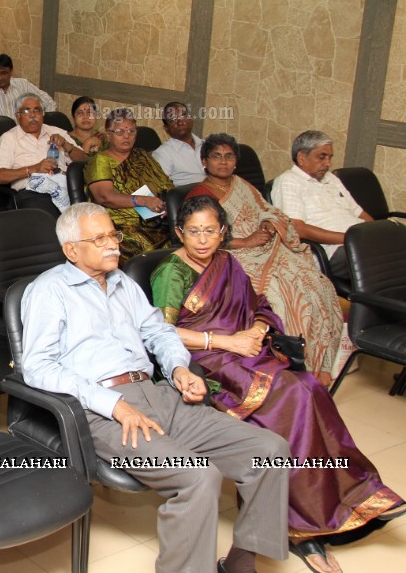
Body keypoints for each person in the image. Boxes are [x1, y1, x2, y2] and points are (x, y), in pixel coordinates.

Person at [20, 202, 291, 573]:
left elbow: (159, 331)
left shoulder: (122, 283)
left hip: (160, 394)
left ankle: (242, 561)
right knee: (199, 475)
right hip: (104, 411)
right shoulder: (49, 290)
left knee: (270, 450)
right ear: (72, 250)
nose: (113, 244)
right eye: (99, 239)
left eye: (113, 235)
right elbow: (36, 367)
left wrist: (179, 368)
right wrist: (112, 404)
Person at [152, 195, 406, 573]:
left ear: (223, 233)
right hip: (207, 361)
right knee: (292, 401)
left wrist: (255, 328)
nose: (202, 240)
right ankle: (300, 526)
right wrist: (228, 342)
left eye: (210, 230)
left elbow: (260, 304)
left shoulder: (227, 262)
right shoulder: (171, 272)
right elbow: (162, 333)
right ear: (179, 233)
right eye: (193, 232)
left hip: (245, 351)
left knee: (312, 390)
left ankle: (348, 495)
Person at [188, 134, 346, 386]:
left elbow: (269, 210)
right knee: (282, 295)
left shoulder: (242, 184)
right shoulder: (200, 194)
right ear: (204, 162)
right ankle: (294, 366)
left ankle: (321, 363)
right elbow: (201, 236)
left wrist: (269, 224)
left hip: (266, 249)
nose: (223, 162)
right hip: (230, 253)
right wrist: (247, 241)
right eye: (216, 156)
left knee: (317, 285)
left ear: (236, 162)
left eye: (229, 156)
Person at [271, 130, 372, 281]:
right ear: (301, 157)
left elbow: (360, 213)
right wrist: (348, 239)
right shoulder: (288, 181)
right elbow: (297, 228)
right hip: (334, 251)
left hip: (359, 241)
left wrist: (379, 234)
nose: (328, 163)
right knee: (387, 263)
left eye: (330, 157)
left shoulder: (331, 179)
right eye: (322, 157)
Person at [85, 107, 173, 261]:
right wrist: (143, 201)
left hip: (158, 219)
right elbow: (105, 197)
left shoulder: (142, 155)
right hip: (123, 226)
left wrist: (167, 205)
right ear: (108, 134)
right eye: (120, 132)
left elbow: (165, 184)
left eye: (131, 131)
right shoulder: (100, 161)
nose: (126, 136)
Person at [0, 94, 84, 214]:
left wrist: (66, 145)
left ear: (43, 114)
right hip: (34, 194)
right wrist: (33, 169)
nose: (33, 115)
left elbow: (85, 161)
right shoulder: (9, 138)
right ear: (17, 116)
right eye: (26, 111)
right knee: (51, 222)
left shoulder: (57, 132)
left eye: (37, 110)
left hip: (66, 189)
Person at [0, 53, 55, 117]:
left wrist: (40, 121)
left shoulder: (23, 85)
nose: (0, 78)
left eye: (4, 73)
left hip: (26, 134)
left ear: (11, 71)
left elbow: (49, 102)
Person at [152, 101, 205, 187]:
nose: (180, 122)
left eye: (183, 116)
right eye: (172, 120)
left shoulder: (207, 145)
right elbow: (159, 188)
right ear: (166, 129)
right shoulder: (163, 154)